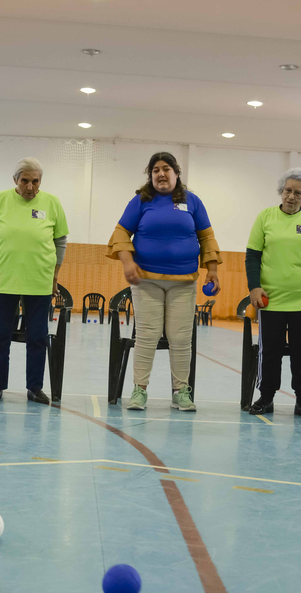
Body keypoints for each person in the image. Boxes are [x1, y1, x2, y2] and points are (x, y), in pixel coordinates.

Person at [107, 151, 221, 412]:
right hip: (146, 281)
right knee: (146, 336)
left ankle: (181, 392)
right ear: (150, 176)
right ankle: (139, 391)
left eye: (166, 168)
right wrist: (127, 263)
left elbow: (207, 238)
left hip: (184, 282)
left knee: (180, 339)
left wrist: (212, 270)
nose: (161, 173)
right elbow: (120, 233)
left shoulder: (193, 202)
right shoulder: (140, 201)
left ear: (176, 173)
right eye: (155, 169)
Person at [245, 167, 301, 418]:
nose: (291, 196)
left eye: (298, 193)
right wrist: (254, 286)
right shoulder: (266, 217)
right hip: (270, 299)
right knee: (269, 351)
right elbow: (252, 255)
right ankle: (266, 397)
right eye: (287, 191)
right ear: (281, 192)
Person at [0, 158, 68, 404]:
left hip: (38, 281)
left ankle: (34, 387)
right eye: (25, 181)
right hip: (4, 280)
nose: (30, 186)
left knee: (38, 337)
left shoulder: (52, 203)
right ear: (15, 181)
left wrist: (55, 275)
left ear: (41, 181)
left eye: (35, 181)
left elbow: (60, 242)